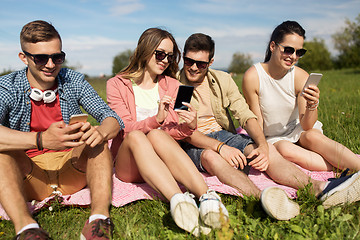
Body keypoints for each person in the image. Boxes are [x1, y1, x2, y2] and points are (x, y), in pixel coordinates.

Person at [177, 33, 360, 220]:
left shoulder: (222, 79)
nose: (193, 68)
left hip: (223, 134)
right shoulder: (178, 85)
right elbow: (184, 133)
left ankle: (318, 188)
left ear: (211, 62)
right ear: (183, 57)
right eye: (189, 61)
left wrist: (262, 144)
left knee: (266, 150)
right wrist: (221, 148)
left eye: (201, 64)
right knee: (211, 157)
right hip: (195, 141)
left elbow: (245, 115)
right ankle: (263, 199)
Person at [0, 20, 124, 240]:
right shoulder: (8, 86)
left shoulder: (73, 80)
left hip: (71, 170)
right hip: (30, 177)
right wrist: (41, 140)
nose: (50, 65)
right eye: (40, 58)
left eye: (57, 57)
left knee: (97, 140)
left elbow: (111, 118)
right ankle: (27, 229)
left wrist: (101, 132)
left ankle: (99, 221)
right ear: (24, 58)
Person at [106, 27, 228, 237]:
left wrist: (190, 126)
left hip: (162, 160)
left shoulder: (176, 85)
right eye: (160, 54)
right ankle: (179, 200)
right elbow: (124, 130)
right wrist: (157, 120)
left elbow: (176, 133)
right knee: (139, 135)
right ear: (145, 50)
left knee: (156, 134)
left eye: (170, 57)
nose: (165, 61)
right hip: (129, 162)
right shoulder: (116, 84)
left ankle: (205, 197)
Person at [242, 20, 360, 172]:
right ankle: (342, 170)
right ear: (273, 46)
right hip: (273, 137)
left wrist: (312, 105)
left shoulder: (300, 76)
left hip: (299, 129)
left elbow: (307, 126)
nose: (293, 56)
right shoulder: (253, 77)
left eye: (299, 52)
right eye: (288, 50)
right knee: (285, 148)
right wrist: (263, 146)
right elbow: (258, 122)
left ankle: (355, 167)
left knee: (313, 137)